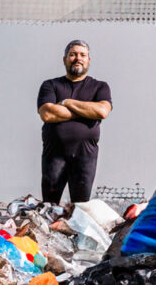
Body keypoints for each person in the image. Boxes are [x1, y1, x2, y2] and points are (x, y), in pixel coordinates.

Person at [37, 40, 112, 203]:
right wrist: (87, 112)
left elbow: (102, 111)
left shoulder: (100, 87)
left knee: (81, 207)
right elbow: (47, 114)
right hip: (54, 154)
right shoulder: (51, 85)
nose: (78, 58)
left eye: (82, 55)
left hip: (85, 155)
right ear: (65, 59)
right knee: (50, 205)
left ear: (88, 60)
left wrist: (67, 103)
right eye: (73, 54)